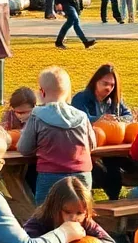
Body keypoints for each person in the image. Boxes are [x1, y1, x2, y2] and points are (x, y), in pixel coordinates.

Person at [17, 67, 95, 204]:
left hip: (50, 175)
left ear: (42, 92)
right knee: (80, 213)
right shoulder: (82, 117)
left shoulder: (37, 116)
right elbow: (92, 145)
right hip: (82, 174)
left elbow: (24, 148)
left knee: (46, 216)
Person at [70, 64, 135, 201]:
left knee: (117, 166)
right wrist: (100, 119)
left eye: (112, 85)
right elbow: (79, 119)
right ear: (95, 81)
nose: (108, 88)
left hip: (111, 146)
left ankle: (116, 199)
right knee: (103, 171)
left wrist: (117, 119)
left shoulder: (114, 100)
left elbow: (129, 116)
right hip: (89, 148)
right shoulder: (81, 98)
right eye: (105, 83)